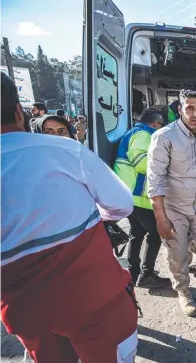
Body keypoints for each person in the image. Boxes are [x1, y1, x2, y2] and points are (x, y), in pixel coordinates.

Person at [1, 72, 139, 362]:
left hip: (25, 312)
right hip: (95, 302)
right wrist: (91, 214)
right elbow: (122, 204)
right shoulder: (66, 152)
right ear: (20, 111)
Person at [147, 89, 196, 317]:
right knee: (177, 256)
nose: (195, 114)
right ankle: (183, 291)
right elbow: (155, 180)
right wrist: (160, 218)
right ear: (180, 109)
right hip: (174, 207)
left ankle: (187, 245)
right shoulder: (164, 137)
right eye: (189, 108)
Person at [113, 108, 171, 289]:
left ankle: (134, 271)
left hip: (130, 195)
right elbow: (141, 163)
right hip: (138, 196)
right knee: (156, 232)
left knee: (137, 233)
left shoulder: (135, 132)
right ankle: (146, 274)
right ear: (156, 124)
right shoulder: (143, 134)